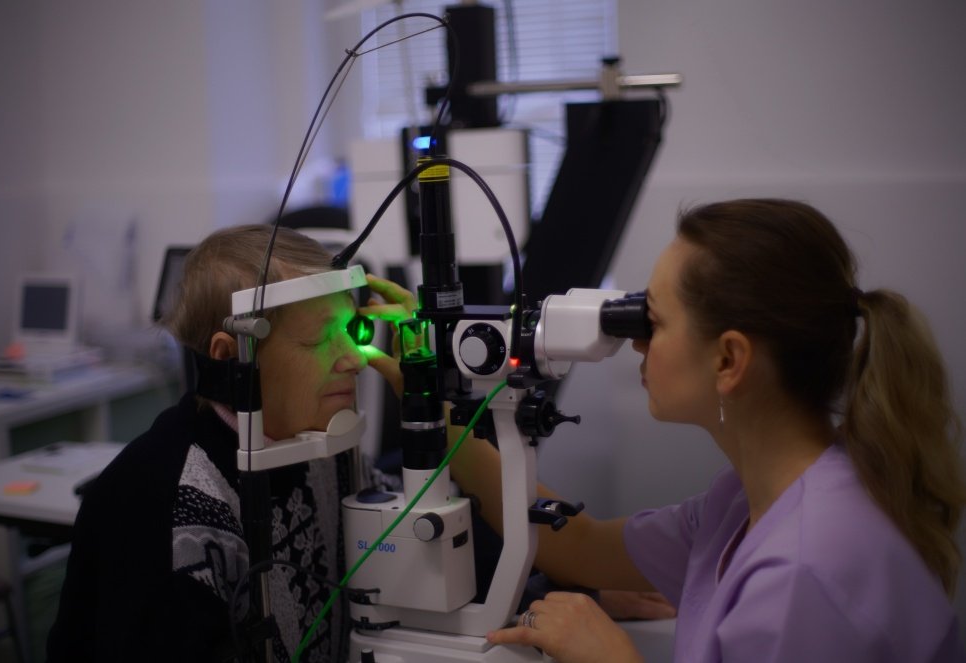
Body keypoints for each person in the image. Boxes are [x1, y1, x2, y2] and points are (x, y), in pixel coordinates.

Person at [450, 199, 966, 662]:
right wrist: (436, 414)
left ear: (728, 360)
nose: (636, 344)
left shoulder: (802, 575)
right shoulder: (744, 504)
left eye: (652, 321)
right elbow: (580, 546)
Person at [47, 225, 409, 662]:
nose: (354, 359)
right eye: (317, 339)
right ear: (232, 357)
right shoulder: (172, 504)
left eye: (352, 330)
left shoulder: (320, 441)